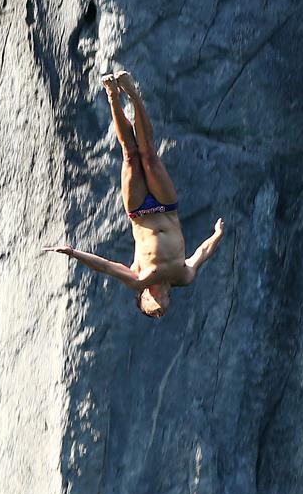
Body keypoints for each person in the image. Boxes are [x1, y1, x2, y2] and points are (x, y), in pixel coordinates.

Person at [44, 70, 224, 318]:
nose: (161, 298)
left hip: (138, 211)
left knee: (130, 154)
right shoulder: (183, 275)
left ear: (145, 295)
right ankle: (133, 96)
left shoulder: (138, 279)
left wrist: (73, 253)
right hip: (165, 207)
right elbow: (203, 253)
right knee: (148, 154)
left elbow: (106, 266)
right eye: (164, 302)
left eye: (154, 301)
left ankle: (112, 96)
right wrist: (217, 234)